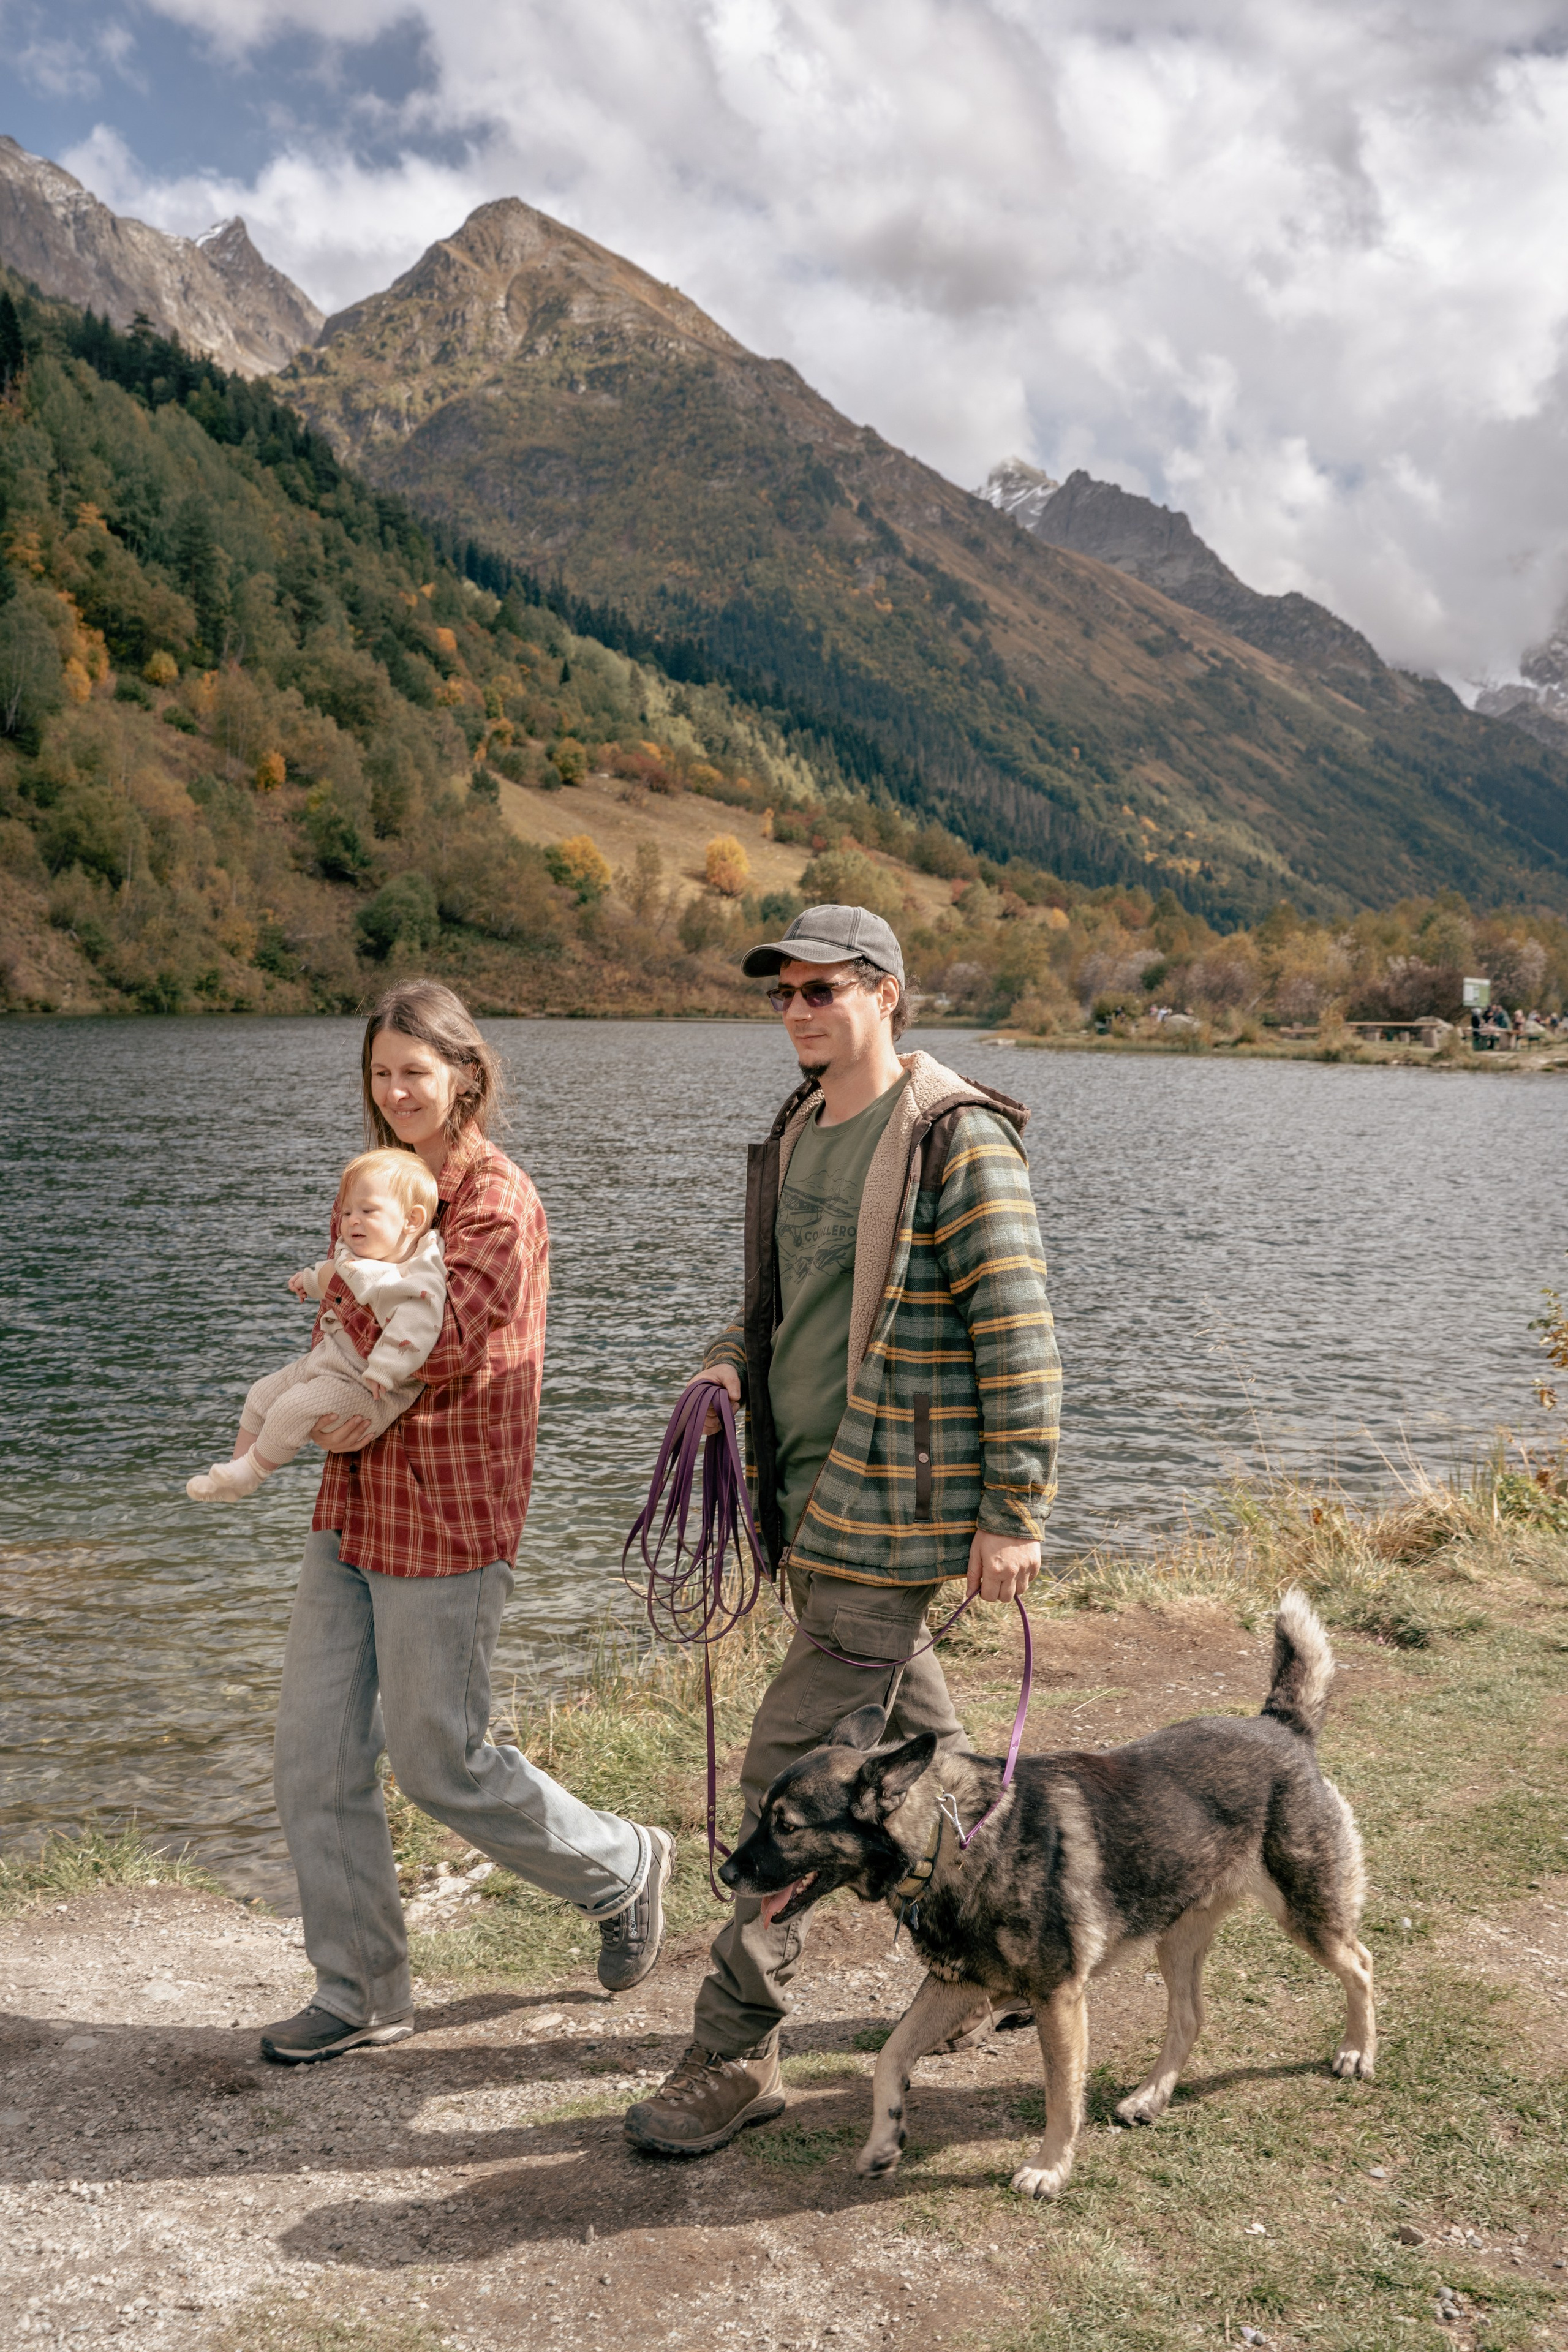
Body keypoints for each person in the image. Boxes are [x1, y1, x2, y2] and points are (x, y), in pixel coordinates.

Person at [624, 904, 1060, 2157]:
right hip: (807, 1507)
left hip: (895, 1515)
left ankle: (734, 2050)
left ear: (886, 994)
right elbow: (773, 1307)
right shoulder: (798, 1131)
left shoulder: (952, 1138)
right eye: (783, 993)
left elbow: (1016, 1334)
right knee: (931, 1751)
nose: (799, 1010)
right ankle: (1003, 1957)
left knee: (783, 1789)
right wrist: (719, 1369)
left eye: (823, 989)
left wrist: (1014, 1506)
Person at [260, 979, 674, 2065]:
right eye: (382, 1073)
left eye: (417, 1071)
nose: (398, 1090)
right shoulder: (382, 1187)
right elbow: (342, 1323)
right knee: (312, 1754)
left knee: (441, 1758)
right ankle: (361, 1994)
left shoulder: (496, 1199)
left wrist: (337, 1378)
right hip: (350, 1503)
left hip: (446, 1511)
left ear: (463, 1075)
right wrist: (331, 1389)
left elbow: (433, 1340)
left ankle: (622, 1866)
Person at [186, 1148, 447, 1502]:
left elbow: (419, 1324)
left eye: (367, 1211)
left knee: (293, 1406)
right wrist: (309, 1281)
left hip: (371, 1386)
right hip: (330, 1360)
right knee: (261, 1394)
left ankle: (253, 1473)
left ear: (412, 1220)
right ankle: (235, 1469)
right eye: (348, 1212)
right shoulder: (369, 1247)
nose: (352, 1221)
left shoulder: (417, 1270)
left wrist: (384, 1370)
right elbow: (341, 1272)